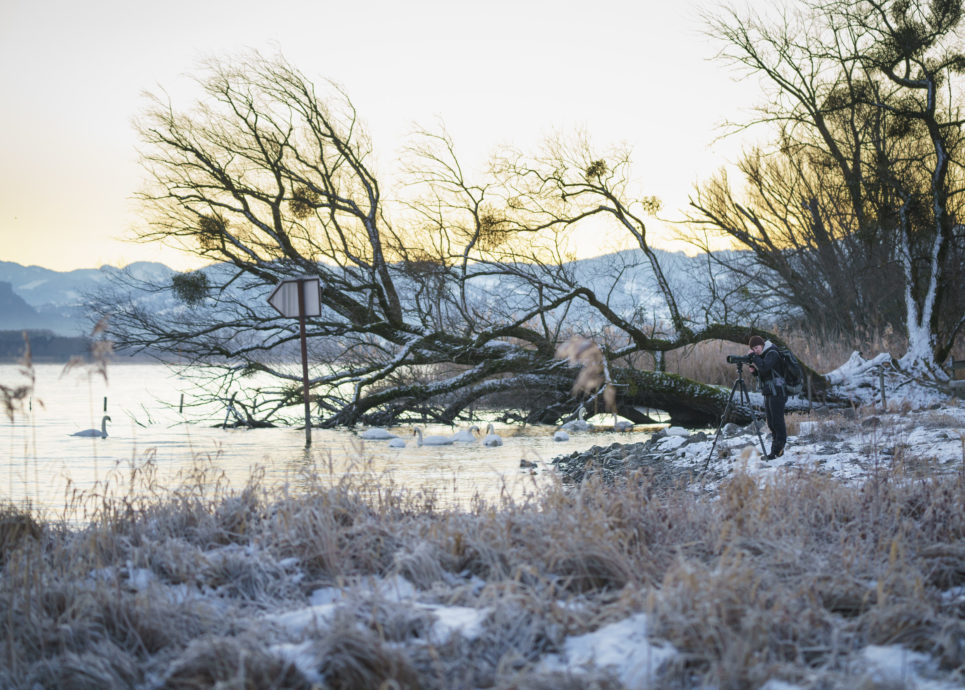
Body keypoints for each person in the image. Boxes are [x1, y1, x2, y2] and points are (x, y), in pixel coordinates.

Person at [747, 335, 787, 459]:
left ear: (762, 345)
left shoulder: (772, 352)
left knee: (777, 421)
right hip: (770, 391)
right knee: (771, 422)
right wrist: (755, 373)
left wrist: (754, 357)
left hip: (778, 391)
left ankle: (777, 451)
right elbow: (766, 373)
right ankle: (777, 450)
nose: (756, 350)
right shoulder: (764, 355)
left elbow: (765, 366)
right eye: (753, 349)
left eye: (757, 347)